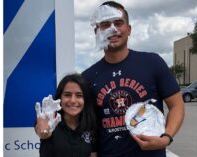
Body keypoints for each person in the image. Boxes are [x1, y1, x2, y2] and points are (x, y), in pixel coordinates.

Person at [82, 1, 185, 157]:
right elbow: (89, 126)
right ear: (96, 31)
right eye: (105, 24)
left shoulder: (152, 63)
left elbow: (177, 105)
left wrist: (166, 138)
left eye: (118, 23)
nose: (113, 29)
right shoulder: (88, 77)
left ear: (129, 29)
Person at [35, 73, 98, 157]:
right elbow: (42, 131)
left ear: (85, 99)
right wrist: (44, 133)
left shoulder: (91, 125)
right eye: (67, 95)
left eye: (79, 95)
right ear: (60, 98)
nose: (72, 100)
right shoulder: (51, 122)